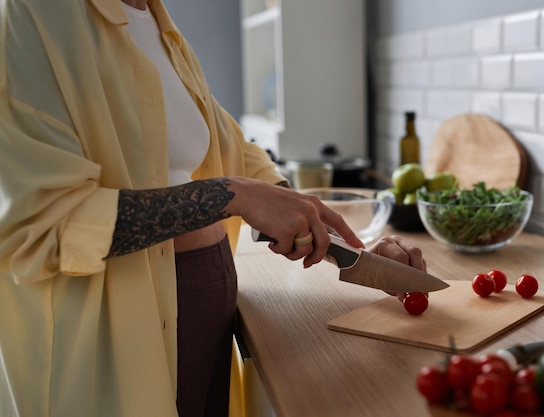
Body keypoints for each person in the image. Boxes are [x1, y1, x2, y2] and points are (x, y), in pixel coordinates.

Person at [0, 0, 427, 416]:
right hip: (111, 335)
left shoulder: (155, 20)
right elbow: (45, 222)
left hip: (205, 301)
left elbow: (233, 149)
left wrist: (337, 239)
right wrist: (230, 195)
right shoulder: (32, 12)